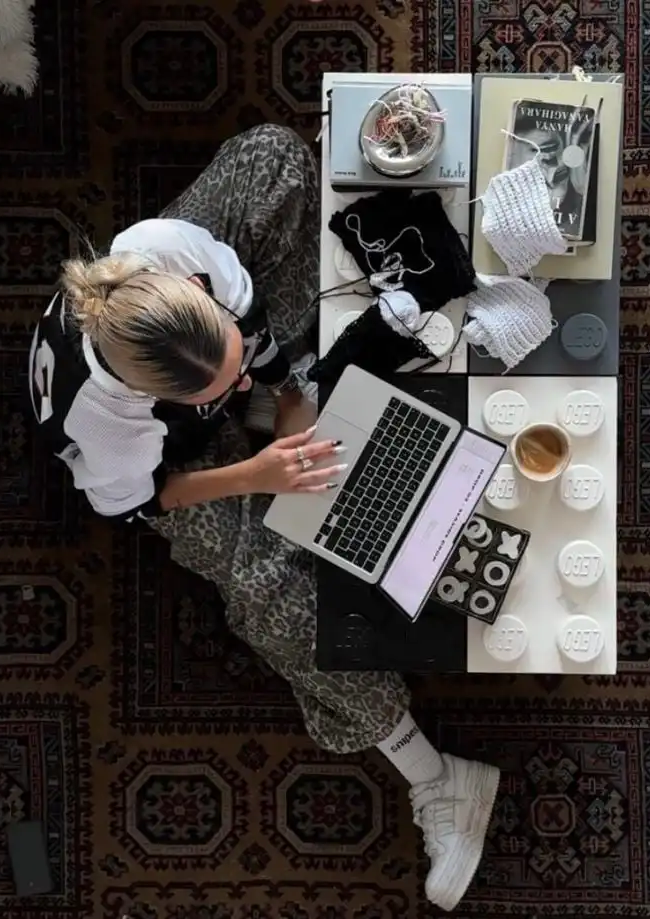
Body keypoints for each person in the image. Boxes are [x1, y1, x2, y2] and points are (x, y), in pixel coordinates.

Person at [28, 124, 499, 912]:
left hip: (199, 368)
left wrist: (280, 391)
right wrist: (253, 471)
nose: (237, 369)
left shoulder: (159, 249)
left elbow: (247, 333)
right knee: (264, 591)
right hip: (170, 467)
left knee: (271, 159)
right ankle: (435, 775)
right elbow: (146, 501)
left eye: (228, 349)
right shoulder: (105, 430)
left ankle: (268, 383)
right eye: (221, 381)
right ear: (163, 398)